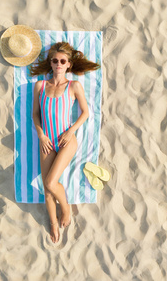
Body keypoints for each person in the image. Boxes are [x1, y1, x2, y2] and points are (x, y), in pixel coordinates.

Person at [30, 42, 100, 243]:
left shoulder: (73, 86)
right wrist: (41, 135)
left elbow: (86, 113)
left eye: (62, 61)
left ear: (68, 65)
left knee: (51, 182)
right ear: (50, 63)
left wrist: (71, 131)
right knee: (47, 187)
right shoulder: (40, 86)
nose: (58, 64)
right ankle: (53, 223)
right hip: (47, 140)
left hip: (66, 140)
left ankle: (66, 208)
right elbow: (35, 114)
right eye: (55, 60)